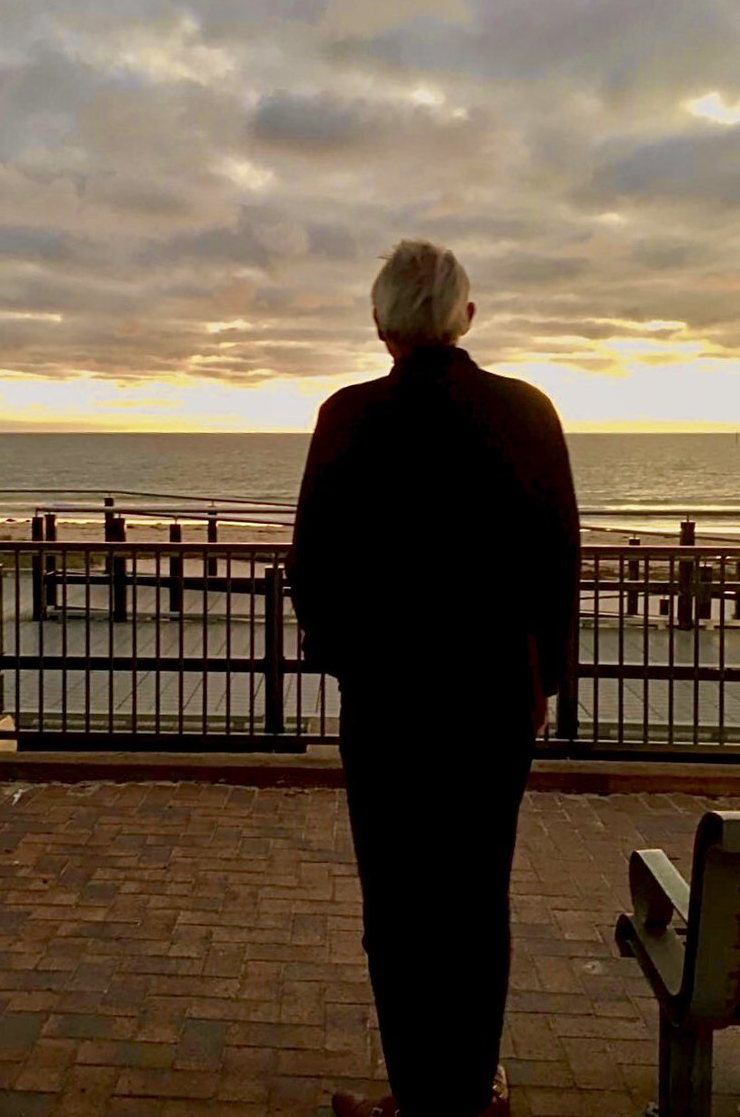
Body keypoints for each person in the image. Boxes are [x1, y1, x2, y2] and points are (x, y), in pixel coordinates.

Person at [286, 240, 580, 1117]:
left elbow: (313, 565)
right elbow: (556, 559)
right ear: (466, 317)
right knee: (476, 897)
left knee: (398, 902)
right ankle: (472, 1088)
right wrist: (543, 682)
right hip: (493, 698)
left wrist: (348, 659)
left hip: (387, 701)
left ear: (379, 324)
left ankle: (418, 1095)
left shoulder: (346, 415)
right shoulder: (526, 411)